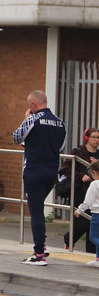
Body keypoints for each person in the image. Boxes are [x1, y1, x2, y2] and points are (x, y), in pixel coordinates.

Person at [12, 90, 66, 265]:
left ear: (33, 104)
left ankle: (39, 254)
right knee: (38, 209)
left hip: (34, 171)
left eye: (30, 105)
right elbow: (60, 148)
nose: (29, 108)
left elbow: (16, 137)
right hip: (51, 173)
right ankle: (42, 245)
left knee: (36, 212)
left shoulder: (33, 119)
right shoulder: (60, 123)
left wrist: (25, 118)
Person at [60, 127, 99, 253]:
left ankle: (92, 252)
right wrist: (81, 175)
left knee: (91, 223)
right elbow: (65, 168)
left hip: (95, 192)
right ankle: (68, 239)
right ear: (86, 138)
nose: (96, 140)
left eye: (98, 137)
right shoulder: (78, 152)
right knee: (82, 223)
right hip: (80, 191)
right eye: (93, 137)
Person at [72, 160, 99, 268]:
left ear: (94, 172)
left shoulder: (94, 184)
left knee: (93, 237)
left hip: (97, 214)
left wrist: (79, 210)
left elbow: (88, 201)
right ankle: (97, 258)